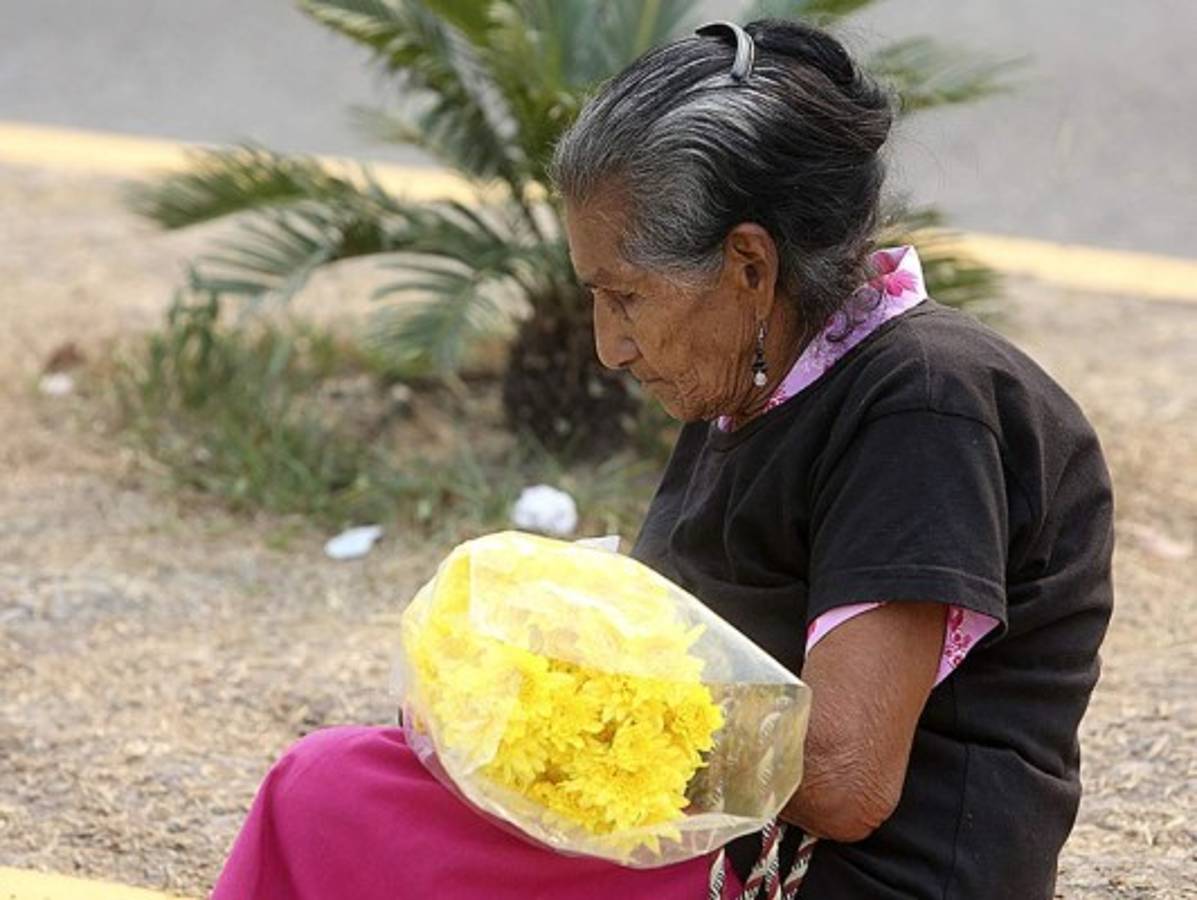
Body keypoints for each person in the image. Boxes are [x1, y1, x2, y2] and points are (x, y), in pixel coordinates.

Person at [211, 18, 1113, 900]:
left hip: (827, 873)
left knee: (339, 806)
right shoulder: (751, 375)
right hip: (714, 833)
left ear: (748, 265)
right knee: (333, 785)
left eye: (625, 297)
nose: (609, 346)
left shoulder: (925, 404)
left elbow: (843, 778)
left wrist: (566, 716)